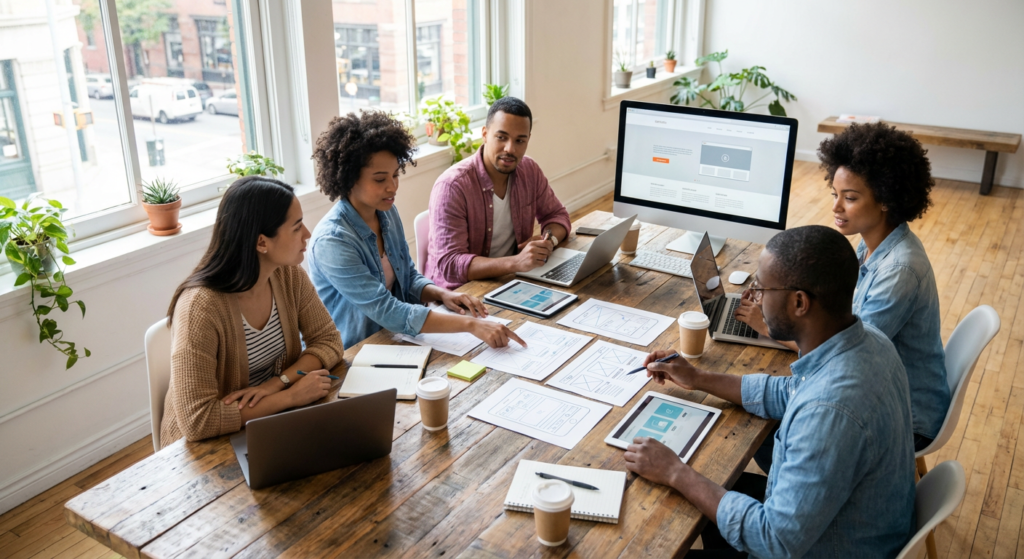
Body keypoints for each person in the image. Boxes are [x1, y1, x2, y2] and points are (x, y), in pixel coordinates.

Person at [626, 225, 916, 559]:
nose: (754, 297)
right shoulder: (868, 340)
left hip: (831, 547)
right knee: (710, 488)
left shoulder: (828, 410)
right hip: (855, 522)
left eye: (761, 288)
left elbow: (774, 540)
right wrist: (697, 377)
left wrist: (674, 472)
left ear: (799, 302)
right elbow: (789, 391)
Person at [734, 122, 949, 453]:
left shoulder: (899, 270)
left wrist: (768, 327)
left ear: (886, 199)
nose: (836, 207)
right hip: (883, 387)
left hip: (909, 418)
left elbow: (848, 354)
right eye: (835, 194)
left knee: (756, 435)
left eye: (850, 198)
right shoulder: (872, 243)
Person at [308, 111, 524, 350]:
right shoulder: (333, 241)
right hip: (354, 352)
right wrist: (471, 325)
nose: (392, 187)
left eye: (395, 175)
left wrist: (442, 294)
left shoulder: (386, 212)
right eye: (380, 180)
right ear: (349, 179)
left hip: (396, 339)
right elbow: (387, 310)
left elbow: (407, 276)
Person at [160, 177, 344, 449]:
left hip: (271, 423)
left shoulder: (289, 275)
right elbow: (197, 420)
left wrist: (276, 384)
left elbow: (328, 340)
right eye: (296, 227)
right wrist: (290, 397)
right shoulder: (199, 308)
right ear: (261, 242)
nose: (307, 233)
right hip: (203, 448)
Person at [424, 96, 572, 289]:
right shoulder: (452, 186)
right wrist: (516, 262)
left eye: (520, 140)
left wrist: (549, 241)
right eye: (501, 137)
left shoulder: (529, 170)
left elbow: (557, 215)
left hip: (510, 280)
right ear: (485, 134)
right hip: (459, 292)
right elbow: (451, 264)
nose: (510, 149)